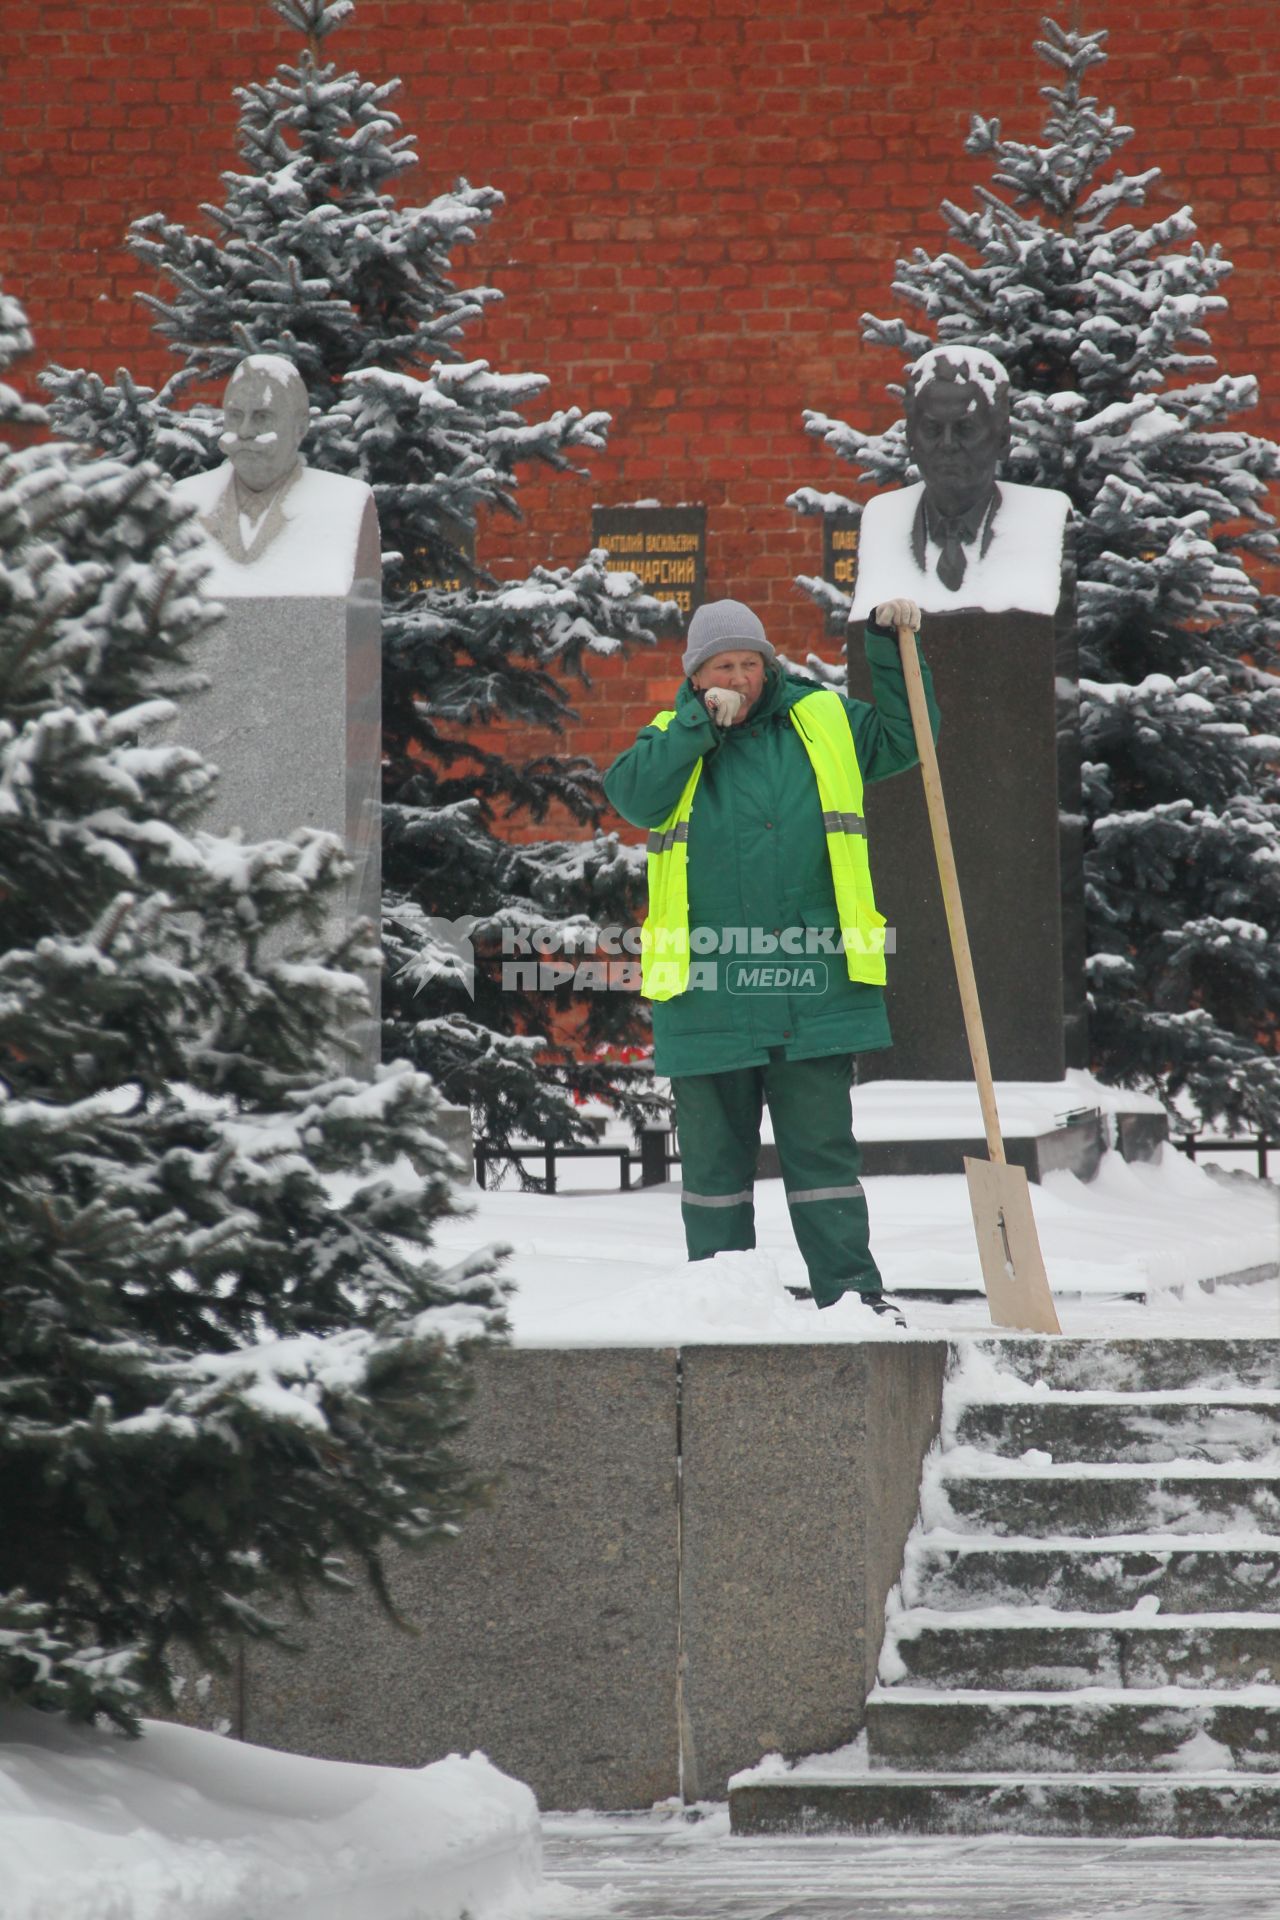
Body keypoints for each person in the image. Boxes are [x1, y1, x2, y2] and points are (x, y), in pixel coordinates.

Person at [604, 594, 939, 1317]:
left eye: (750, 663)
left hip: (815, 989)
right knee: (715, 1175)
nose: (739, 677)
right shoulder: (670, 737)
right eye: (723, 665)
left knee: (824, 1163)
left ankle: (852, 1298)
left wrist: (889, 646)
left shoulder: (822, 721)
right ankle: (722, 1305)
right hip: (707, 994)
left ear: (767, 665)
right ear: (696, 675)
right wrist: (698, 727)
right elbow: (631, 797)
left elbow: (910, 737)